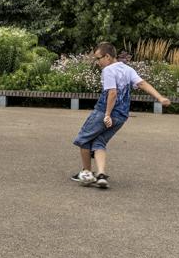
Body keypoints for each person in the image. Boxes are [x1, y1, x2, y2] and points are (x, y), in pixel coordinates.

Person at [71, 42, 170, 189]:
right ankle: (101, 175)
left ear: (108, 56)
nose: (97, 62)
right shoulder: (127, 69)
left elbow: (112, 92)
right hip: (122, 116)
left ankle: (87, 173)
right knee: (99, 142)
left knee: (83, 139)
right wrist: (160, 97)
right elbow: (143, 84)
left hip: (105, 112)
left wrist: (107, 115)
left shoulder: (108, 70)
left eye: (98, 58)